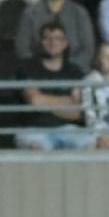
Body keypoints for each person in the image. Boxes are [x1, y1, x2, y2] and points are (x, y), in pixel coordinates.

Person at [16, 22, 94, 150]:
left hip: (68, 129)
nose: (53, 42)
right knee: (37, 148)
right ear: (40, 42)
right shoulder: (27, 68)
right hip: (34, 129)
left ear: (65, 43)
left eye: (58, 38)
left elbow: (77, 112)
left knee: (90, 145)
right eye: (47, 38)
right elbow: (35, 101)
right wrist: (67, 101)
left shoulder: (75, 71)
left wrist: (45, 101)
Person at [15, 0, 96, 73]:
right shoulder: (30, 13)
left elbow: (87, 49)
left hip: (75, 71)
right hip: (38, 72)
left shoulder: (79, 12)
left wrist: (69, 69)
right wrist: (43, 67)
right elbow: (23, 49)